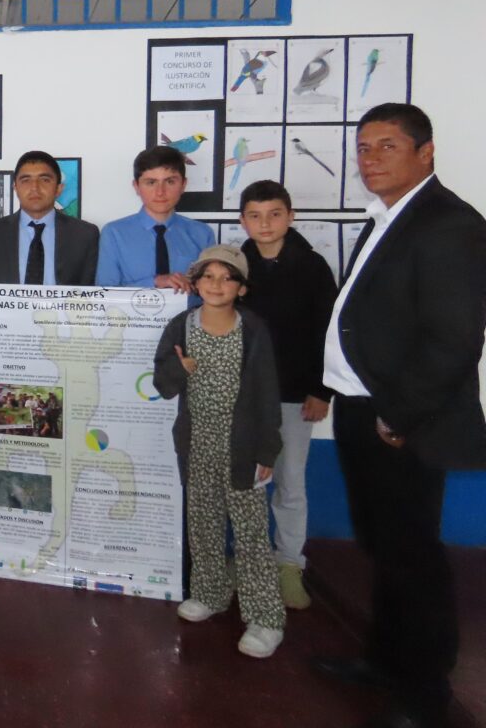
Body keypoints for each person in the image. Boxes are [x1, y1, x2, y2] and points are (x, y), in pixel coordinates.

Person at [314, 104, 486, 728]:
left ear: (426, 151)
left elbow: (454, 338)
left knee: (413, 557)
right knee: (384, 548)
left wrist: (397, 416)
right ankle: (386, 662)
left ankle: (423, 691)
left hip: (403, 421)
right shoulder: (389, 217)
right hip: (366, 412)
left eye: (387, 146)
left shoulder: (448, 224)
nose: (370, 158)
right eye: (363, 147)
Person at [153, 244, 285, 658]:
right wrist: (181, 368)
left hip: (242, 446)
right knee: (204, 523)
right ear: (195, 284)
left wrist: (268, 447)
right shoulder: (180, 327)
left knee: (249, 532)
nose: (217, 284)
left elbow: (267, 391)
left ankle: (265, 616)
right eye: (208, 276)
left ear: (241, 288)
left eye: (227, 277)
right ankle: (210, 592)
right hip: (196, 444)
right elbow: (162, 383)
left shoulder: (254, 330)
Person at [237, 180, 337, 610]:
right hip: (245, 397)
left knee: (290, 483)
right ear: (243, 220)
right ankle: (252, 562)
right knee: (246, 484)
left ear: (291, 216)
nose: (265, 223)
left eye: (274, 214)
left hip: (297, 395)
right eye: (255, 215)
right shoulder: (235, 267)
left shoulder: (313, 268)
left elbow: (328, 334)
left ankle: (289, 563)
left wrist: (322, 391)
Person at [96, 145, 214, 291]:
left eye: (170, 181)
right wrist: (155, 282)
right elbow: (104, 293)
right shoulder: (114, 233)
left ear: (183, 184)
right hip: (130, 314)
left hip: (189, 313)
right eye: (151, 183)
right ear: (136, 187)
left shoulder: (202, 234)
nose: (160, 192)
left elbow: (210, 291)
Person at [0, 150, 99, 285]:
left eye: (44, 180)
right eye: (25, 180)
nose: (35, 187)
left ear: (58, 189)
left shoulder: (85, 235)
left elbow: (90, 294)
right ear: (15, 187)